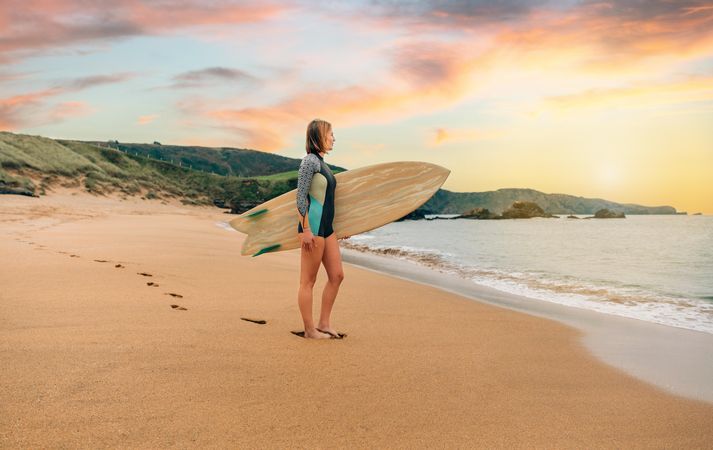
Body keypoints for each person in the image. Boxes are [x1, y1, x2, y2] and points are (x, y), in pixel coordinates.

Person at [296, 119, 345, 339]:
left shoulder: (323, 164)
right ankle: (309, 330)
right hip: (313, 228)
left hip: (328, 229)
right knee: (308, 281)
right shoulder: (309, 162)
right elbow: (300, 197)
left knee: (337, 275)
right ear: (319, 136)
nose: (334, 138)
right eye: (331, 134)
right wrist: (305, 229)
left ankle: (324, 324)